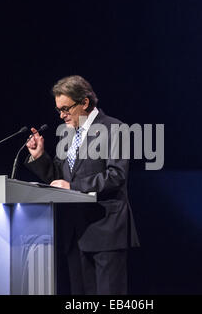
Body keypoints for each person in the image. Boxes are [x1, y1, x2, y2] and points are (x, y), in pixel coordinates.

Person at [24, 75, 140, 295]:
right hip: (75, 233)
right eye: (58, 110)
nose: (62, 115)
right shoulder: (67, 135)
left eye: (66, 109)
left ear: (85, 102)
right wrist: (40, 156)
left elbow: (116, 175)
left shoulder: (115, 128)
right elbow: (59, 180)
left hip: (105, 229)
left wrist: (74, 186)